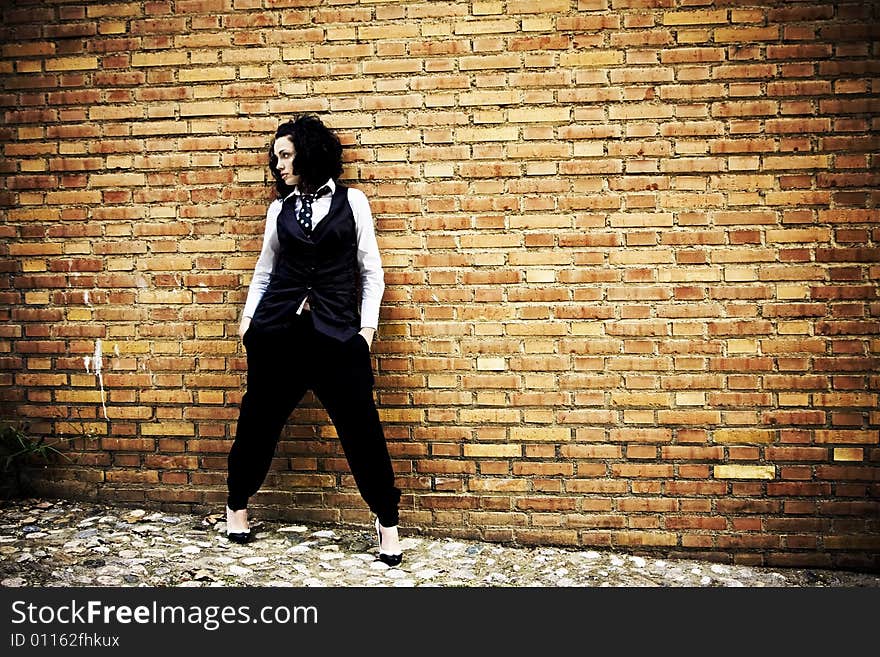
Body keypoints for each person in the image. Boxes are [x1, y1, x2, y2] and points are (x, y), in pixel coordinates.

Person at [225, 114, 402, 566]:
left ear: (308, 152)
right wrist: (249, 321)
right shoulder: (278, 209)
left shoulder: (353, 202)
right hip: (278, 333)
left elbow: (371, 272)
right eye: (276, 157)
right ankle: (236, 504)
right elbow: (266, 270)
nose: (278, 164)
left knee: (361, 428)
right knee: (258, 422)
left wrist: (365, 330)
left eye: (285, 155)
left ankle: (387, 521)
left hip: (338, 334)